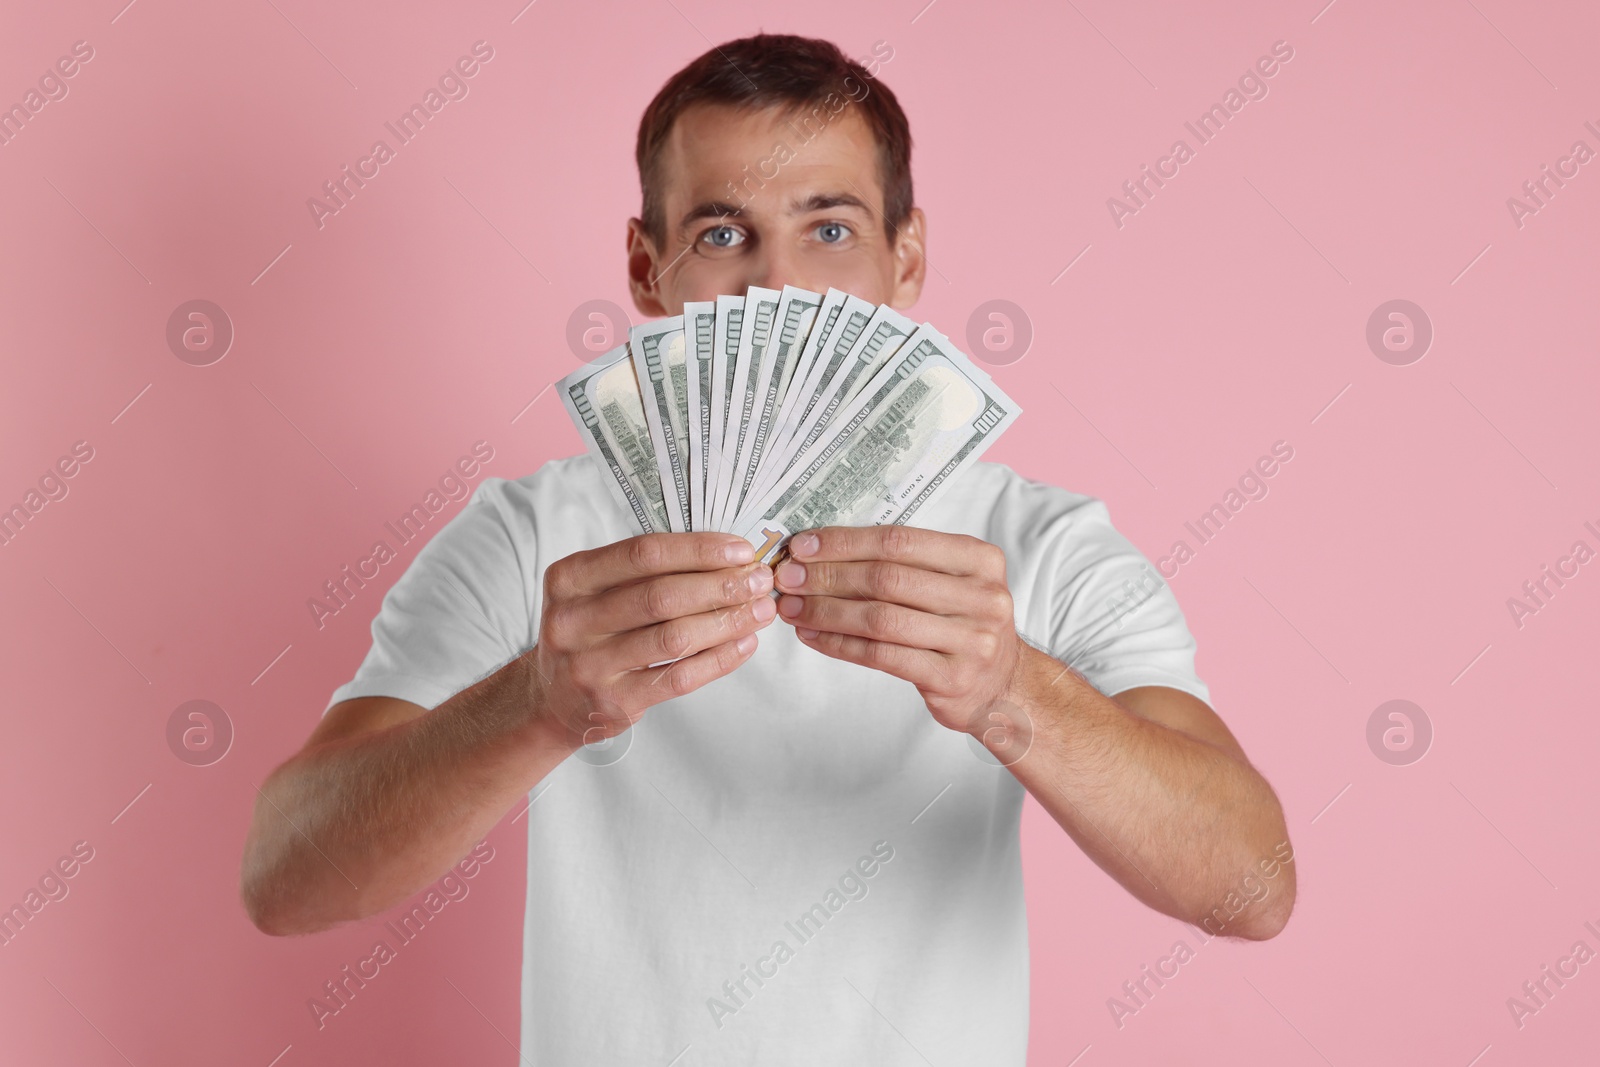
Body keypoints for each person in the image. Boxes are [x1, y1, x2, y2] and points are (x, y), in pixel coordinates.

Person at [240, 33, 1294, 1064]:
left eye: (828, 229)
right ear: (647, 268)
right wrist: (535, 703)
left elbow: (1250, 885)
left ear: (906, 256)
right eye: (721, 234)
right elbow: (287, 877)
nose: (776, 288)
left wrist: (1011, 686)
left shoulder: (1040, 547)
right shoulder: (534, 538)